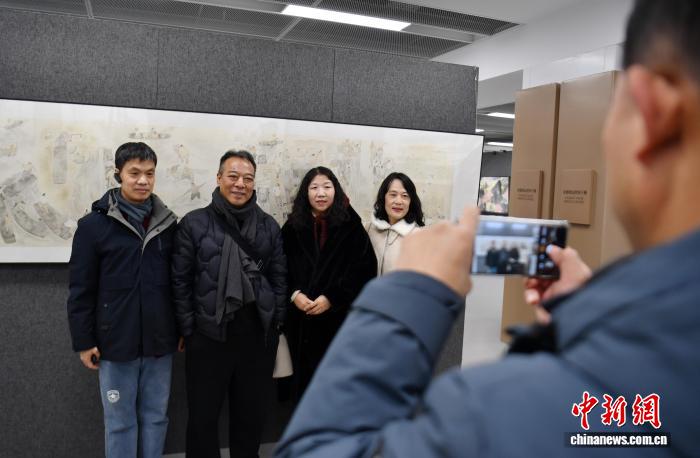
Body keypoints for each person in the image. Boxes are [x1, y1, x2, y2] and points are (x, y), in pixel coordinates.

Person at [275, 1, 700, 456]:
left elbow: (317, 449)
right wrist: (583, 320)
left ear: (650, 108)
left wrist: (408, 294)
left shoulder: (496, 409)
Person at [171, 150, 287, 458]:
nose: (240, 184)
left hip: (257, 338)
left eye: (248, 178)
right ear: (219, 178)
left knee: (250, 418)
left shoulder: (268, 226)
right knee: (202, 418)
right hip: (208, 337)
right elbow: (180, 280)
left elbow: (279, 278)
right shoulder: (194, 223)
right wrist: (188, 330)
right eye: (233, 176)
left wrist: (276, 325)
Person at [67, 142, 179, 458]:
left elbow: (177, 284)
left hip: (160, 342)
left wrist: (181, 329)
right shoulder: (93, 226)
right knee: (119, 422)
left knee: (156, 417)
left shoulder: (168, 224)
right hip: (114, 342)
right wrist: (84, 341)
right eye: (134, 173)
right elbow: (80, 289)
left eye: (149, 174)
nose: (143, 181)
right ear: (118, 174)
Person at [281, 166, 376, 399]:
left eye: (327, 186)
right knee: (302, 392)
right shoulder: (292, 228)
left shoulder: (351, 226)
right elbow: (279, 268)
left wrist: (332, 298)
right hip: (300, 325)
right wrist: (294, 295)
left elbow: (365, 271)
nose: (321, 193)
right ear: (306, 193)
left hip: (338, 322)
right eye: (314, 187)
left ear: (336, 190)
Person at [367, 172, 425, 275]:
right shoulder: (369, 229)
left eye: (405, 196)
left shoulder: (418, 237)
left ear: (411, 202)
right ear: (383, 197)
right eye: (393, 195)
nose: (398, 201)